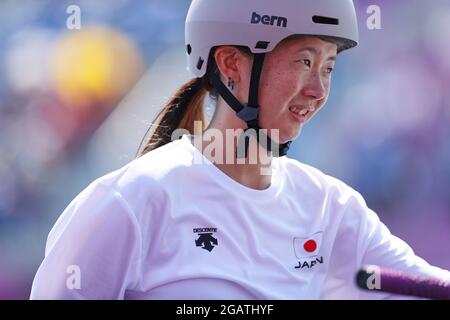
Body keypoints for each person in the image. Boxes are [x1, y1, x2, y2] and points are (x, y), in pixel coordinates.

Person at [30, 0, 449, 299]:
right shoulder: (129, 202)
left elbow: (428, 287)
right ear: (231, 64)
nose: (319, 90)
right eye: (304, 62)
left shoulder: (332, 208)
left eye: (329, 67)